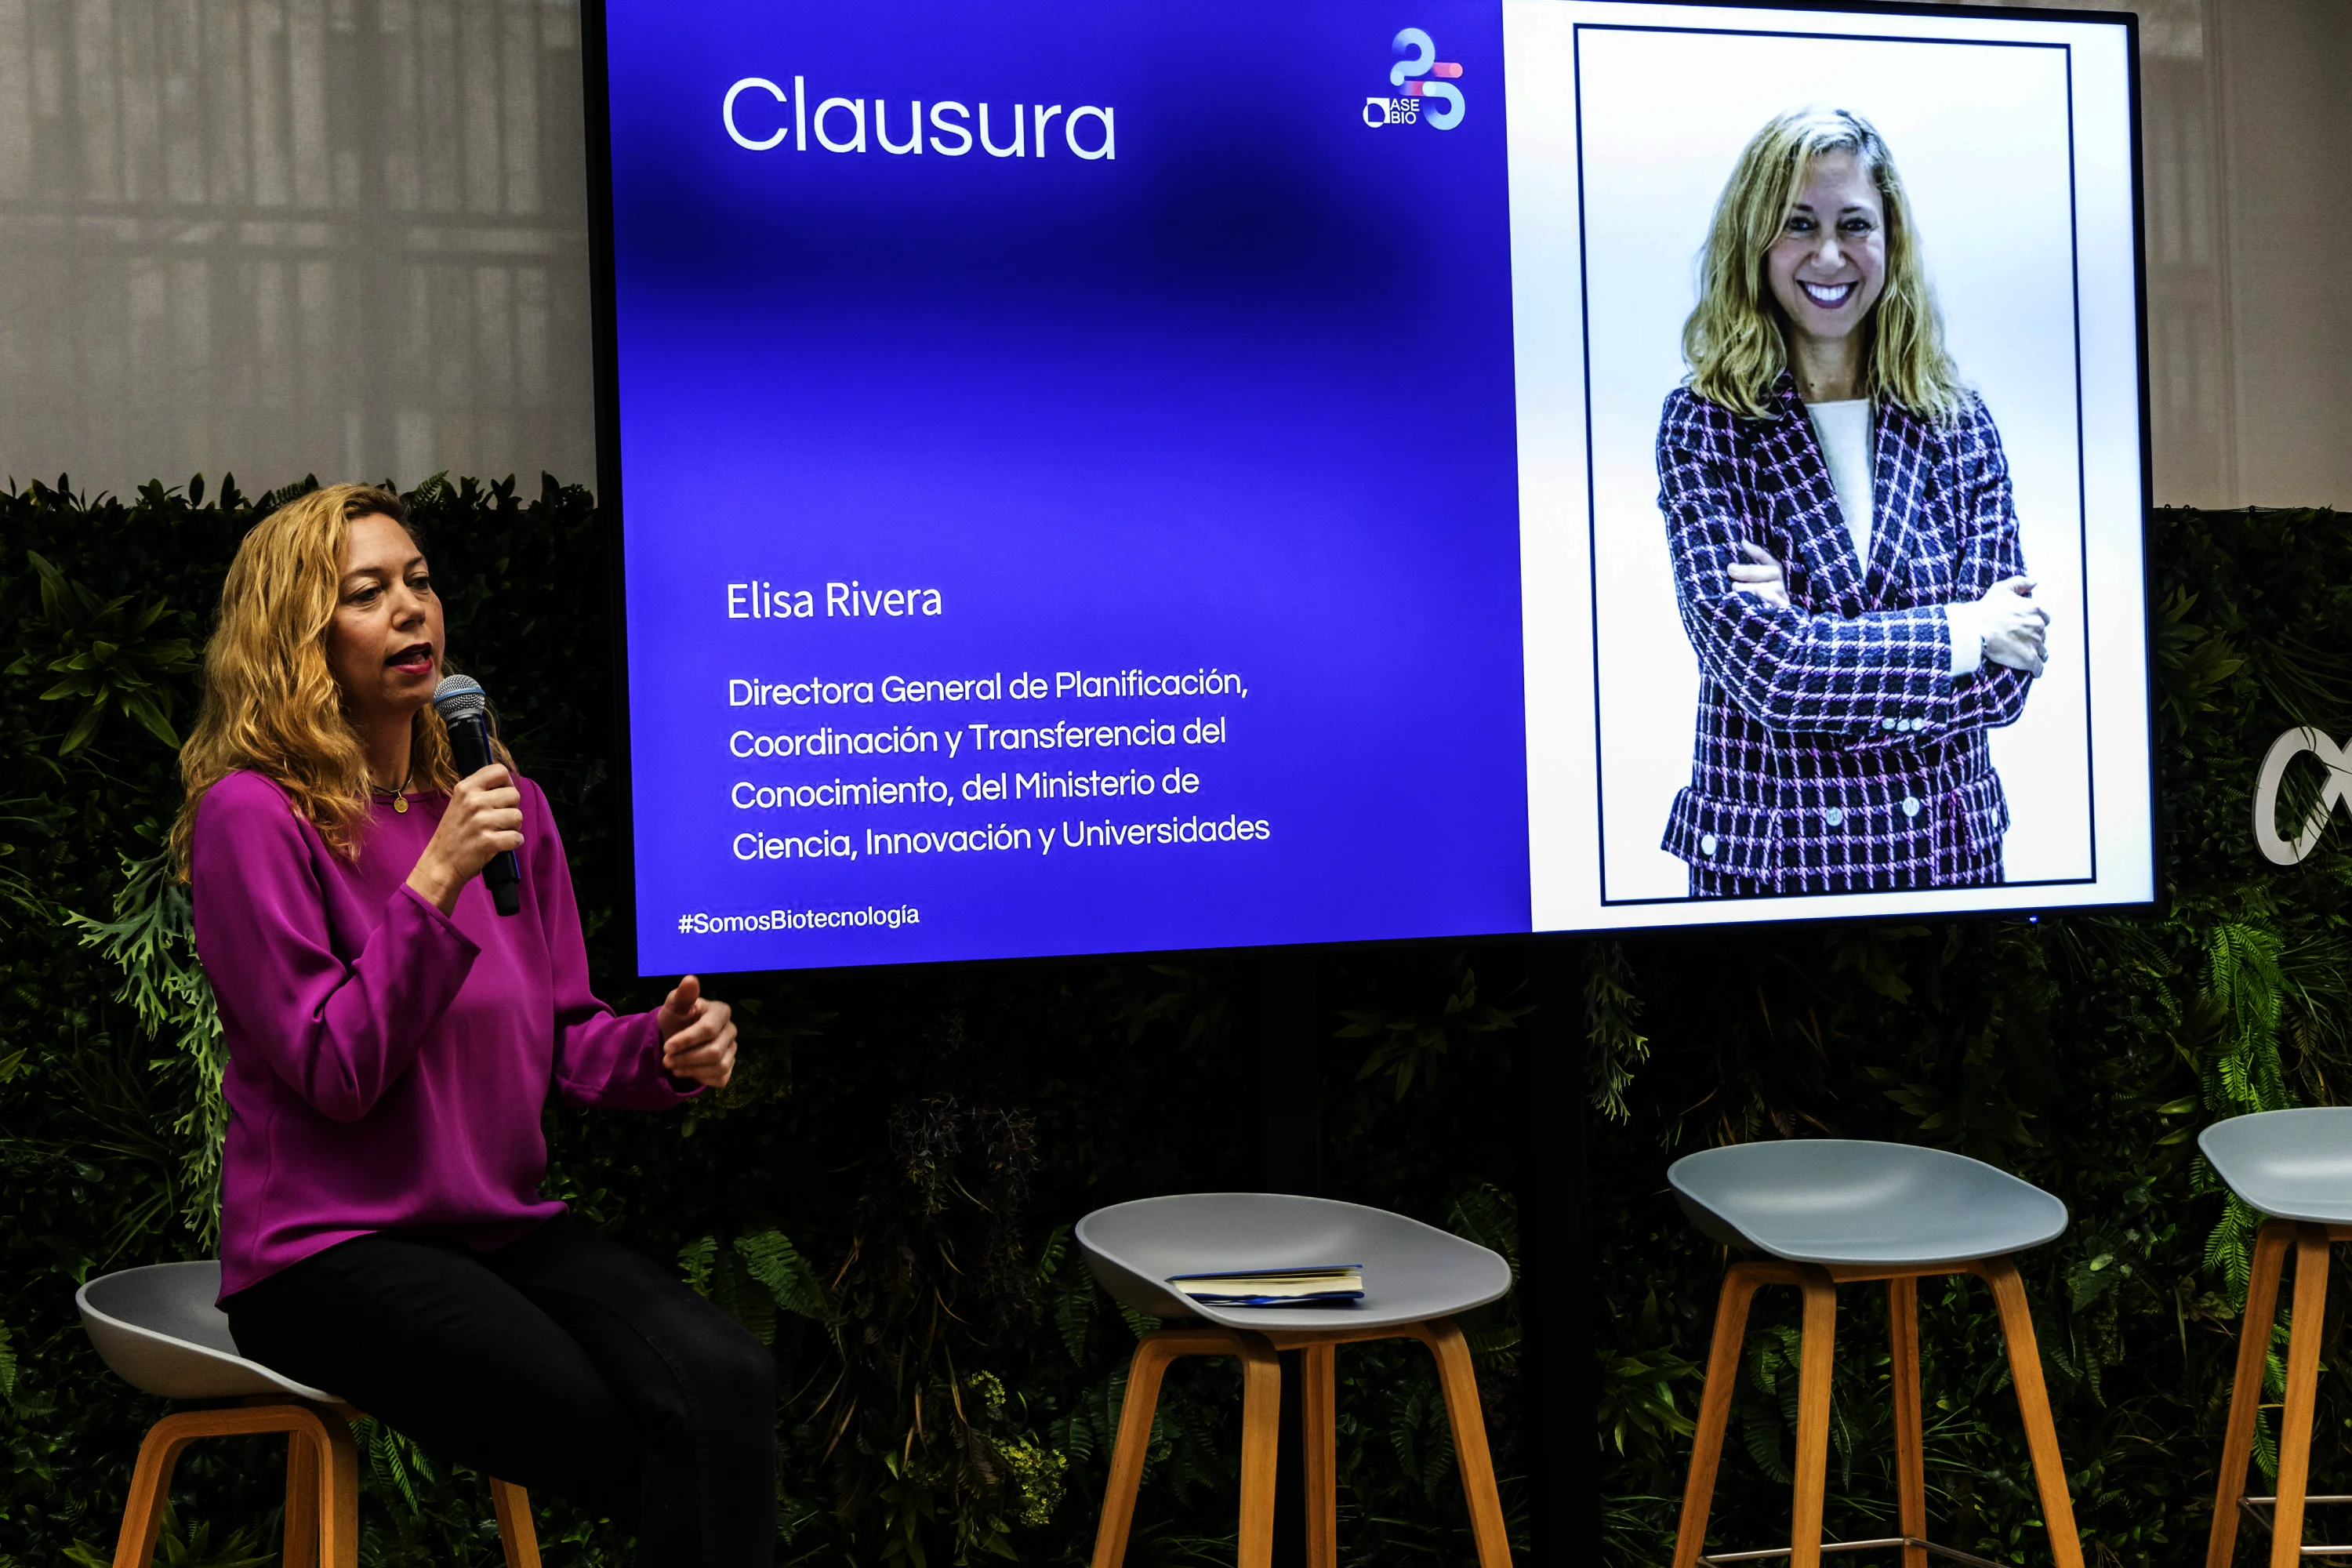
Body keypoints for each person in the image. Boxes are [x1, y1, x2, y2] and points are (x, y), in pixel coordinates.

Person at [172, 484, 773, 1566]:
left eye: (420, 581)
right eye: (367, 593)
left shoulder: (506, 804)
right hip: (328, 1251)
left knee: (726, 1379)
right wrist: (436, 881)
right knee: (653, 1440)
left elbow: (566, 1036)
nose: (412, 610)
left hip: (499, 1226)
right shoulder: (252, 817)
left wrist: (664, 1053)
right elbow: (333, 1067)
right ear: (298, 640)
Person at [1654, 107, 2053, 898]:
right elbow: (1770, 672)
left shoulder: (1958, 421)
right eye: (1799, 223)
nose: (1830, 254)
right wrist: (1966, 628)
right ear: (1755, 241)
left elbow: (2010, 681)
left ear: (1890, 242)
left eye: (1855, 224)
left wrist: (1814, 639)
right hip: (1776, 874)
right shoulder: (1706, 424)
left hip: (1945, 861)